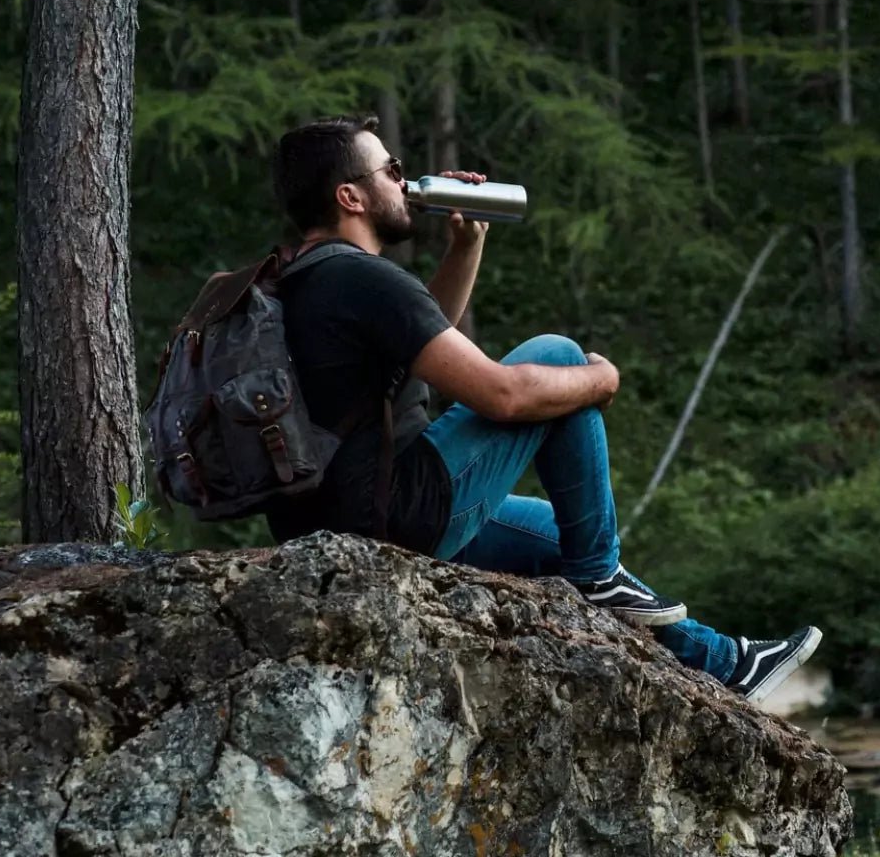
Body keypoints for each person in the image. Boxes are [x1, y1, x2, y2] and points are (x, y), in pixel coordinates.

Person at [265, 114, 821, 705]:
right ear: (350, 195)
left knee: (564, 532)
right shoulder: (365, 279)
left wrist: (467, 244)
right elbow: (503, 395)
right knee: (559, 358)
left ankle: (725, 663)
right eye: (391, 170)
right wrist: (600, 379)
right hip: (391, 512)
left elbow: (423, 339)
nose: (404, 182)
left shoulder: (305, 276)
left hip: (333, 519)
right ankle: (598, 576)